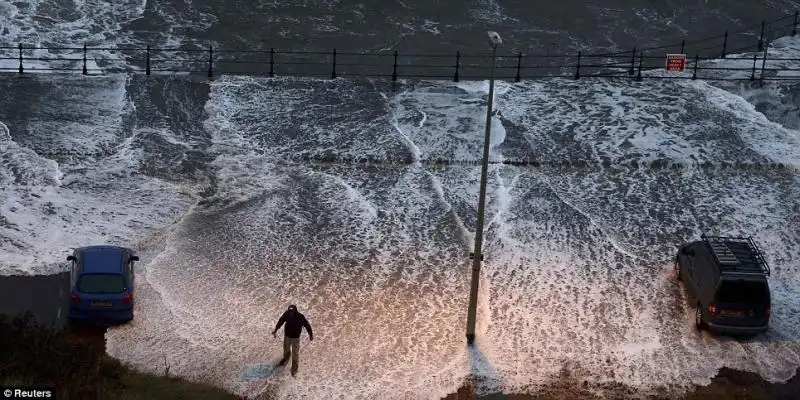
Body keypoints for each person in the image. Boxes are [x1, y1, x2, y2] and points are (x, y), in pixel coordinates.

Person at [272, 304, 313, 376]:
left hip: (296, 338)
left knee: (295, 354)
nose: (290, 313)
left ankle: (294, 369)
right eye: (289, 311)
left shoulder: (300, 317)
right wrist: (275, 330)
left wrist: (311, 335)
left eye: (292, 312)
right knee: (286, 350)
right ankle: (285, 360)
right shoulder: (286, 314)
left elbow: (307, 326)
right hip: (287, 336)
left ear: (295, 311)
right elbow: (280, 321)